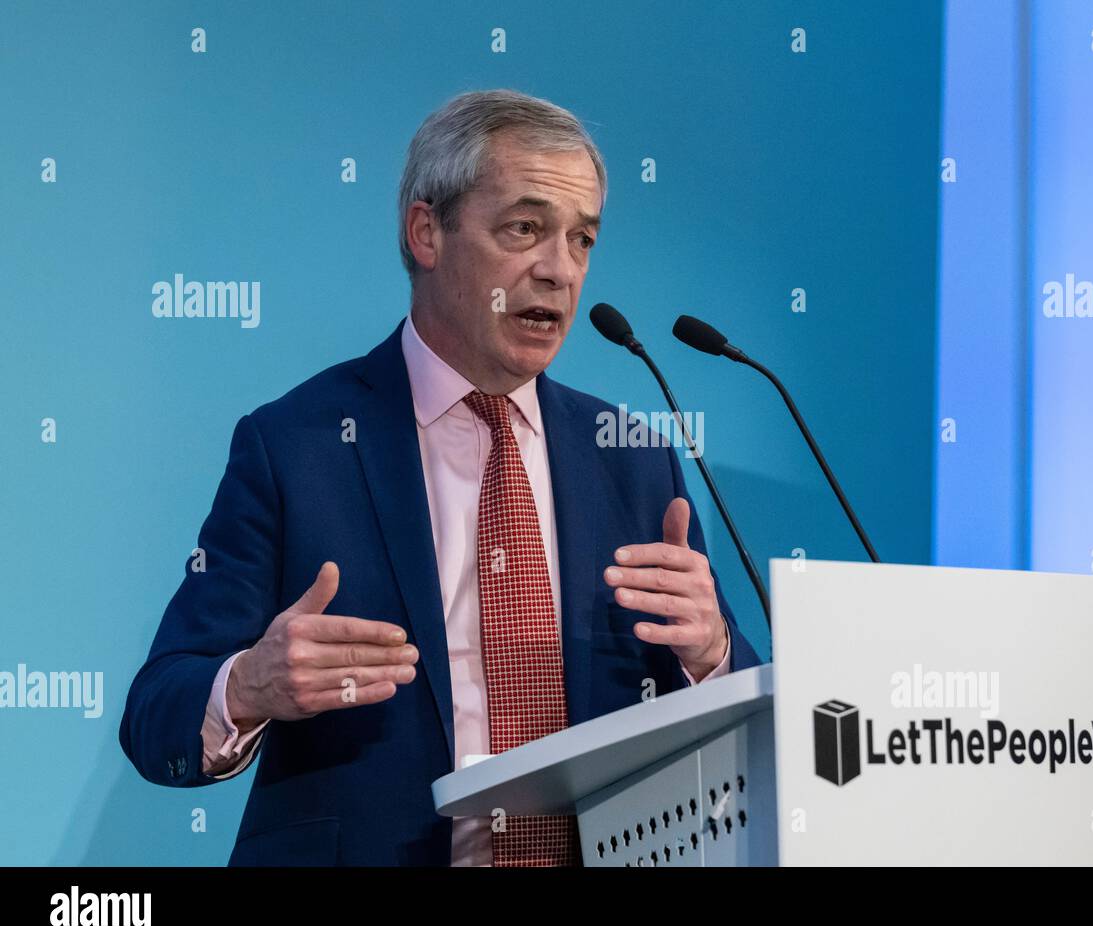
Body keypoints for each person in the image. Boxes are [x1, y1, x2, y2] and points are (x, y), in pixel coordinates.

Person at [119, 88, 760, 866]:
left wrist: (714, 654)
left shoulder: (630, 454)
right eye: (525, 228)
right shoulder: (295, 447)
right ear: (427, 231)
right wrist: (248, 687)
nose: (559, 271)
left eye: (582, 239)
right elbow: (155, 716)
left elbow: (738, 732)